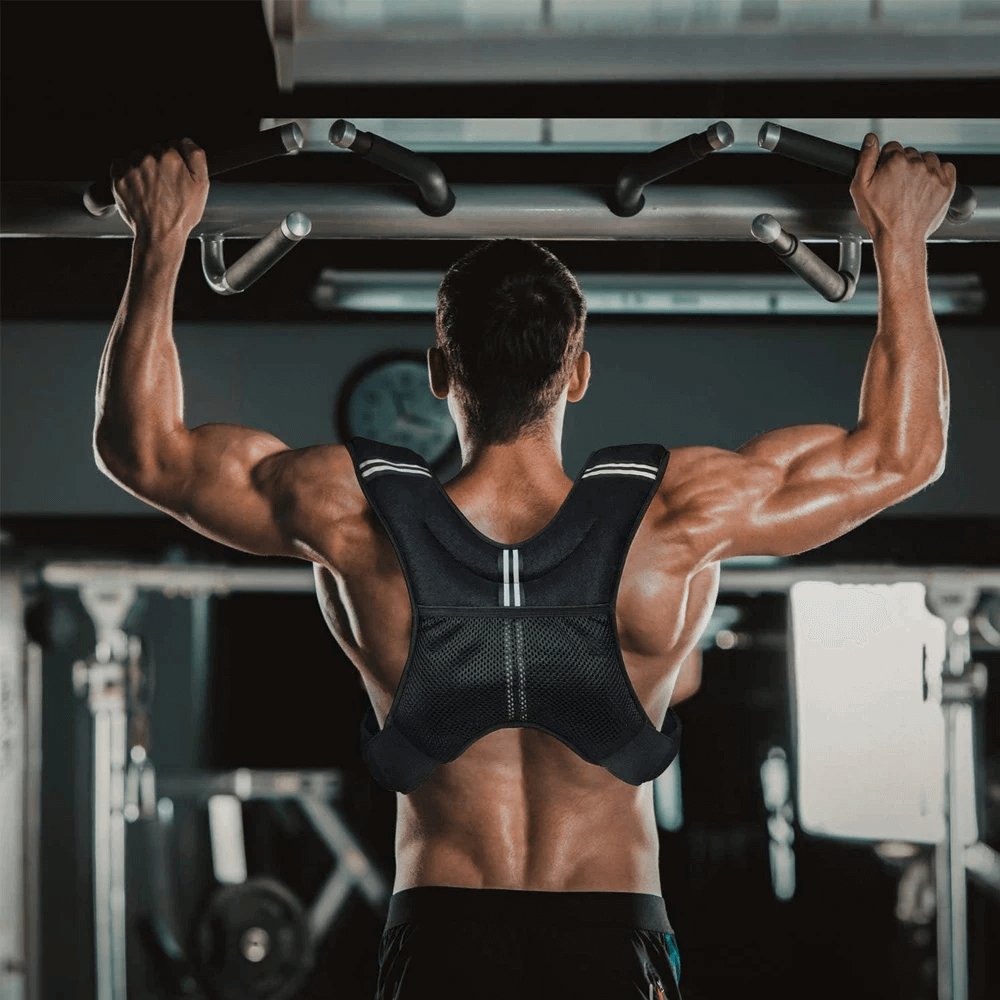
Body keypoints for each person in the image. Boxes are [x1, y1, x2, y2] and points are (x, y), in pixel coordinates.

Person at [94, 133, 953, 999]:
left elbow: (144, 452)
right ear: (576, 375)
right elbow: (900, 456)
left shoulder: (351, 514)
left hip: (441, 938)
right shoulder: (677, 513)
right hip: (610, 937)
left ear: (440, 373)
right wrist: (903, 244)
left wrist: (160, 240)